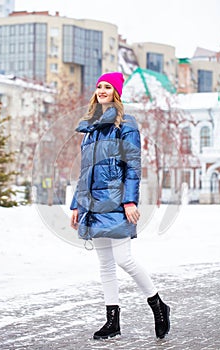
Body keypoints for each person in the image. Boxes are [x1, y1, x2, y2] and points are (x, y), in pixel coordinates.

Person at [70, 72, 170, 340]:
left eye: (108, 86)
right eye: (99, 86)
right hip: (93, 204)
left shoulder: (125, 125)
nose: (102, 90)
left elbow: (133, 166)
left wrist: (129, 200)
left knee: (124, 258)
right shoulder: (89, 130)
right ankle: (112, 321)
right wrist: (76, 205)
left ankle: (158, 306)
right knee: (105, 263)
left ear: (116, 92)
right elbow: (84, 172)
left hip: (115, 201)